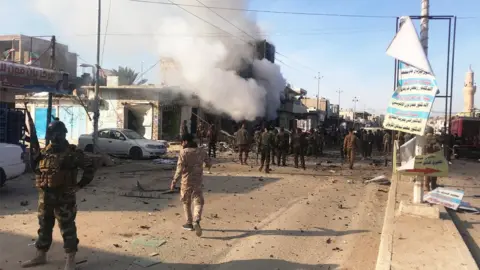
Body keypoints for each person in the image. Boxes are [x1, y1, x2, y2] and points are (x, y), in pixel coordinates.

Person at [21, 121, 95, 270]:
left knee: (67, 228)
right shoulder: (44, 152)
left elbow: (90, 167)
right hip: (45, 198)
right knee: (44, 226)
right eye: (52, 134)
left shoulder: (72, 153)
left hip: (64, 199)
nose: (55, 137)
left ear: (64, 134)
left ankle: (70, 260)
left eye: (58, 133)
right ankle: (40, 255)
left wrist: (79, 185)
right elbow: (37, 169)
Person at [170, 133, 212, 237]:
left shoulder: (183, 153)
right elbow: (209, 163)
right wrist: (205, 165)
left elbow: (179, 169)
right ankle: (196, 220)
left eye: (182, 142)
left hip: (186, 182)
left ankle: (189, 223)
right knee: (198, 202)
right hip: (198, 181)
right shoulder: (201, 151)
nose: (181, 143)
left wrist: (174, 181)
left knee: (186, 202)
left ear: (186, 142)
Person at [423, 126, 442, 192]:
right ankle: (433, 185)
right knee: (434, 171)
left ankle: (427, 186)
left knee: (427, 172)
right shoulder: (435, 137)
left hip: (427, 156)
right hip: (435, 156)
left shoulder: (424, 138)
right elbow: (439, 147)